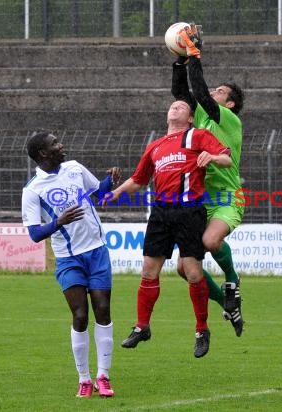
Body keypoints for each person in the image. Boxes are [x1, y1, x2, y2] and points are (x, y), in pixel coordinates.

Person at [103, 100, 232, 358]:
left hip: (189, 212)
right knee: (149, 270)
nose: (175, 107)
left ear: (191, 118)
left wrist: (213, 157)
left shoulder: (197, 136)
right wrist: (116, 192)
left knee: (193, 272)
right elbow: (138, 180)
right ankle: (142, 326)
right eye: (172, 105)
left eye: (182, 106)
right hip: (161, 212)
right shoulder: (155, 146)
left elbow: (227, 160)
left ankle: (202, 330)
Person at [21, 131, 121, 398]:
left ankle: (103, 376)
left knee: (102, 309)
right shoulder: (32, 190)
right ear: (43, 153)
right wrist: (58, 222)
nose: (61, 145)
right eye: (55, 143)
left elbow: (98, 192)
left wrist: (110, 181)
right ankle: (84, 378)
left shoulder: (75, 168)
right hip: (68, 257)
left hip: (96, 251)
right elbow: (34, 234)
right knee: (80, 315)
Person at [171, 24, 246, 337]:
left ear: (228, 104)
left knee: (210, 241)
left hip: (228, 196)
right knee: (183, 268)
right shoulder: (202, 116)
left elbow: (199, 92)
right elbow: (183, 94)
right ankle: (226, 304)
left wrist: (195, 53)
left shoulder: (228, 119)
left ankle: (233, 281)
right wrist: (179, 61)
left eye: (220, 93)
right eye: (214, 90)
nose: (213, 93)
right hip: (201, 199)